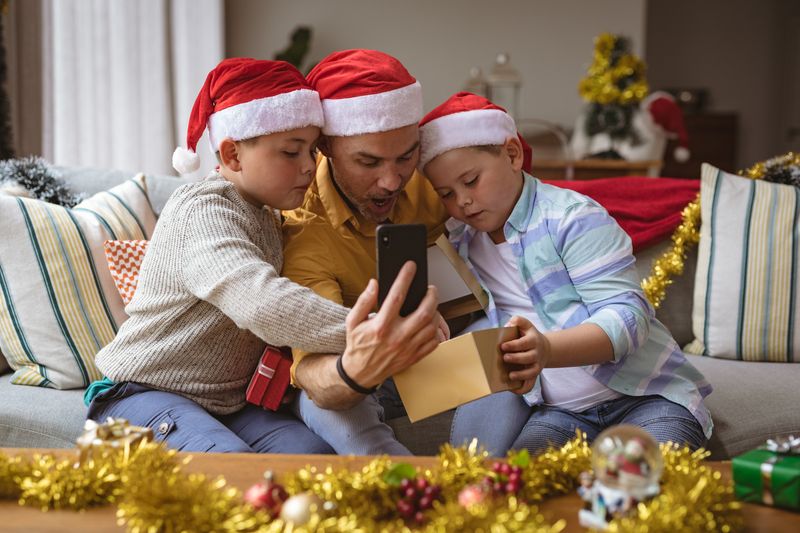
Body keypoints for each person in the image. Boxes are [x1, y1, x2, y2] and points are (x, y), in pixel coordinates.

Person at [85, 58, 437, 454]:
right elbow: (260, 301)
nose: (309, 167)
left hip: (229, 404)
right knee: (235, 468)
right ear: (233, 155)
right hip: (144, 393)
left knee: (315, 460)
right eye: (291, 153)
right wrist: (377, 329)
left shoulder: (268, 213)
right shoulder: (203, 211)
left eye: (311, 149)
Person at [417, 92, 713, 455]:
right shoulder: (461, 242)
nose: (461, 201)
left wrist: (546, 350)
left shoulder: (572, 218)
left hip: (644, 398)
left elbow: (628, 317)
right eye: (446, 193)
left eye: (472, 180)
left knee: (643, 478)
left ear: (513, 155)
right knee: (523, 491)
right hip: (560, 414)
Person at [282, 49, 449, 455]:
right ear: (326, 147)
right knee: (322, 406)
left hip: (447, 357)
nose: (392, 181)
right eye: (368, 161)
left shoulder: (436, 180)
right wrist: (355, 371)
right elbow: (311, 372)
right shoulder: (305, 231)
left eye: (406, 156)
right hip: (362, 375)